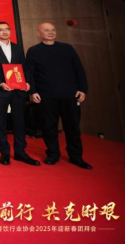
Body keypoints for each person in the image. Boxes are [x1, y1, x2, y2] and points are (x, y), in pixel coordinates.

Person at [25, 22, 91, 169]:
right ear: (39, 33)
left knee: (73, 127)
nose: (51, 32)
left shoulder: (67, 48)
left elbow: (79, 69)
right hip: (46, 95)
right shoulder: (34, 51)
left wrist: (83, 89)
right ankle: (53, 154)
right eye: (46, 30)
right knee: (49, 127)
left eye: (53, 30)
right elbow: (29, 73)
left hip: (70, 94)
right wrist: (33, 91)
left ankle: (76, 156)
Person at [0, 22, 40, 166]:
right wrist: (0, 83)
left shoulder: (17, 48)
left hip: (19, 91)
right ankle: (5, 153)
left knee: (19, 122)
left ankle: (20, 152)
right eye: (1, 30)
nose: (5, 32)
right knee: (1, 122)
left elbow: (24, 67)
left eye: (7, 29)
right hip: (0, 91)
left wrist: (27, 82)